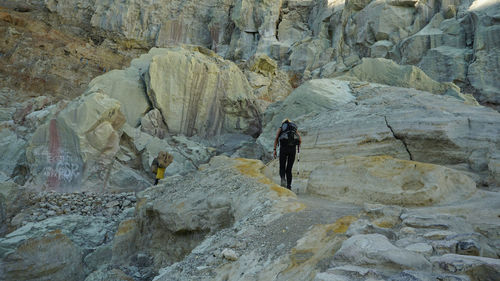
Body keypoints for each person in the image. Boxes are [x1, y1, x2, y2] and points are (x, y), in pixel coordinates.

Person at [273, 118, 301, 190]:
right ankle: (289, 186)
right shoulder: (294, 129)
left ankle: (283, 181)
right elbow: (300, 139)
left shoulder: (281, 128)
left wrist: (274, 150)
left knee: (282, 167)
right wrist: (297, 147)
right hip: (292, 150)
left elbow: (276, 138)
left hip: (283, 149)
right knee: (289, 169)